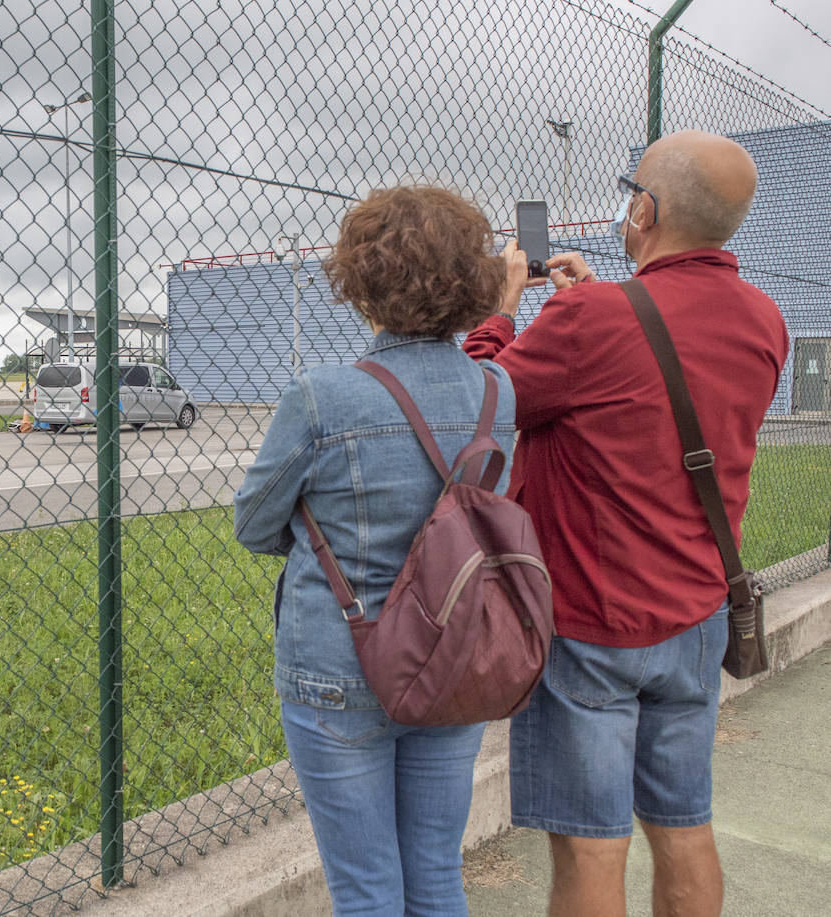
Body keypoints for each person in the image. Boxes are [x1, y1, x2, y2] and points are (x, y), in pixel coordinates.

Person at [465, 130, 789, 917]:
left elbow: (475, 399)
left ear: (643, 208)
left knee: (589, 841)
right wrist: (606, 299)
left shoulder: (593, 321)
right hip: (699, 613)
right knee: (683, 823)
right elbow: (657, 382)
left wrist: (503, 310)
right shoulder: (764, 318)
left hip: (592, 627)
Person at [234, 185, 521, 917]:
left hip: (340, 660)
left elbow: (254, 523)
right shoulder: (497, 391)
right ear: (473, 286)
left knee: (364, 890)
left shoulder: (323, 396)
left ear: (362, 281)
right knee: (435, 873)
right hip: (456, 651)